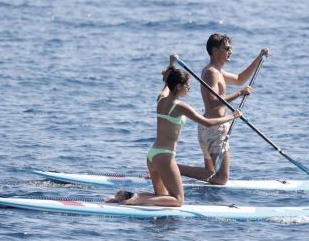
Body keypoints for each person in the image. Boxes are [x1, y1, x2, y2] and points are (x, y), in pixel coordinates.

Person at [106, 55, 241, 206]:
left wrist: (171, 64)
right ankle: (138, 198)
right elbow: (207, 123)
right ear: (178, 87)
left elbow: (166, 82)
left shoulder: (161, 99)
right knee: (178, 200)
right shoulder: (180, 106)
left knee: (161, 196)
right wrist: (231, 116)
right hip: (165, 157)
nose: (189, 89)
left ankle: (125, 195)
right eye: (187, 86)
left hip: (152, 155)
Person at [178, 34, 269, 184]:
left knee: (210, 174)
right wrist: (239, 93)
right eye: (226, 48)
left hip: (208, 128)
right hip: (215, 130)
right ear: (215, 51)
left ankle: (174, 170)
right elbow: (213, 103)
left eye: (230, 48)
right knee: (221, 179)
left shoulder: (217, 71)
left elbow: (240, 78)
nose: (230, 51)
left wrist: (259, 58)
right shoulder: (211, 73)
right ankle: (173, 168)